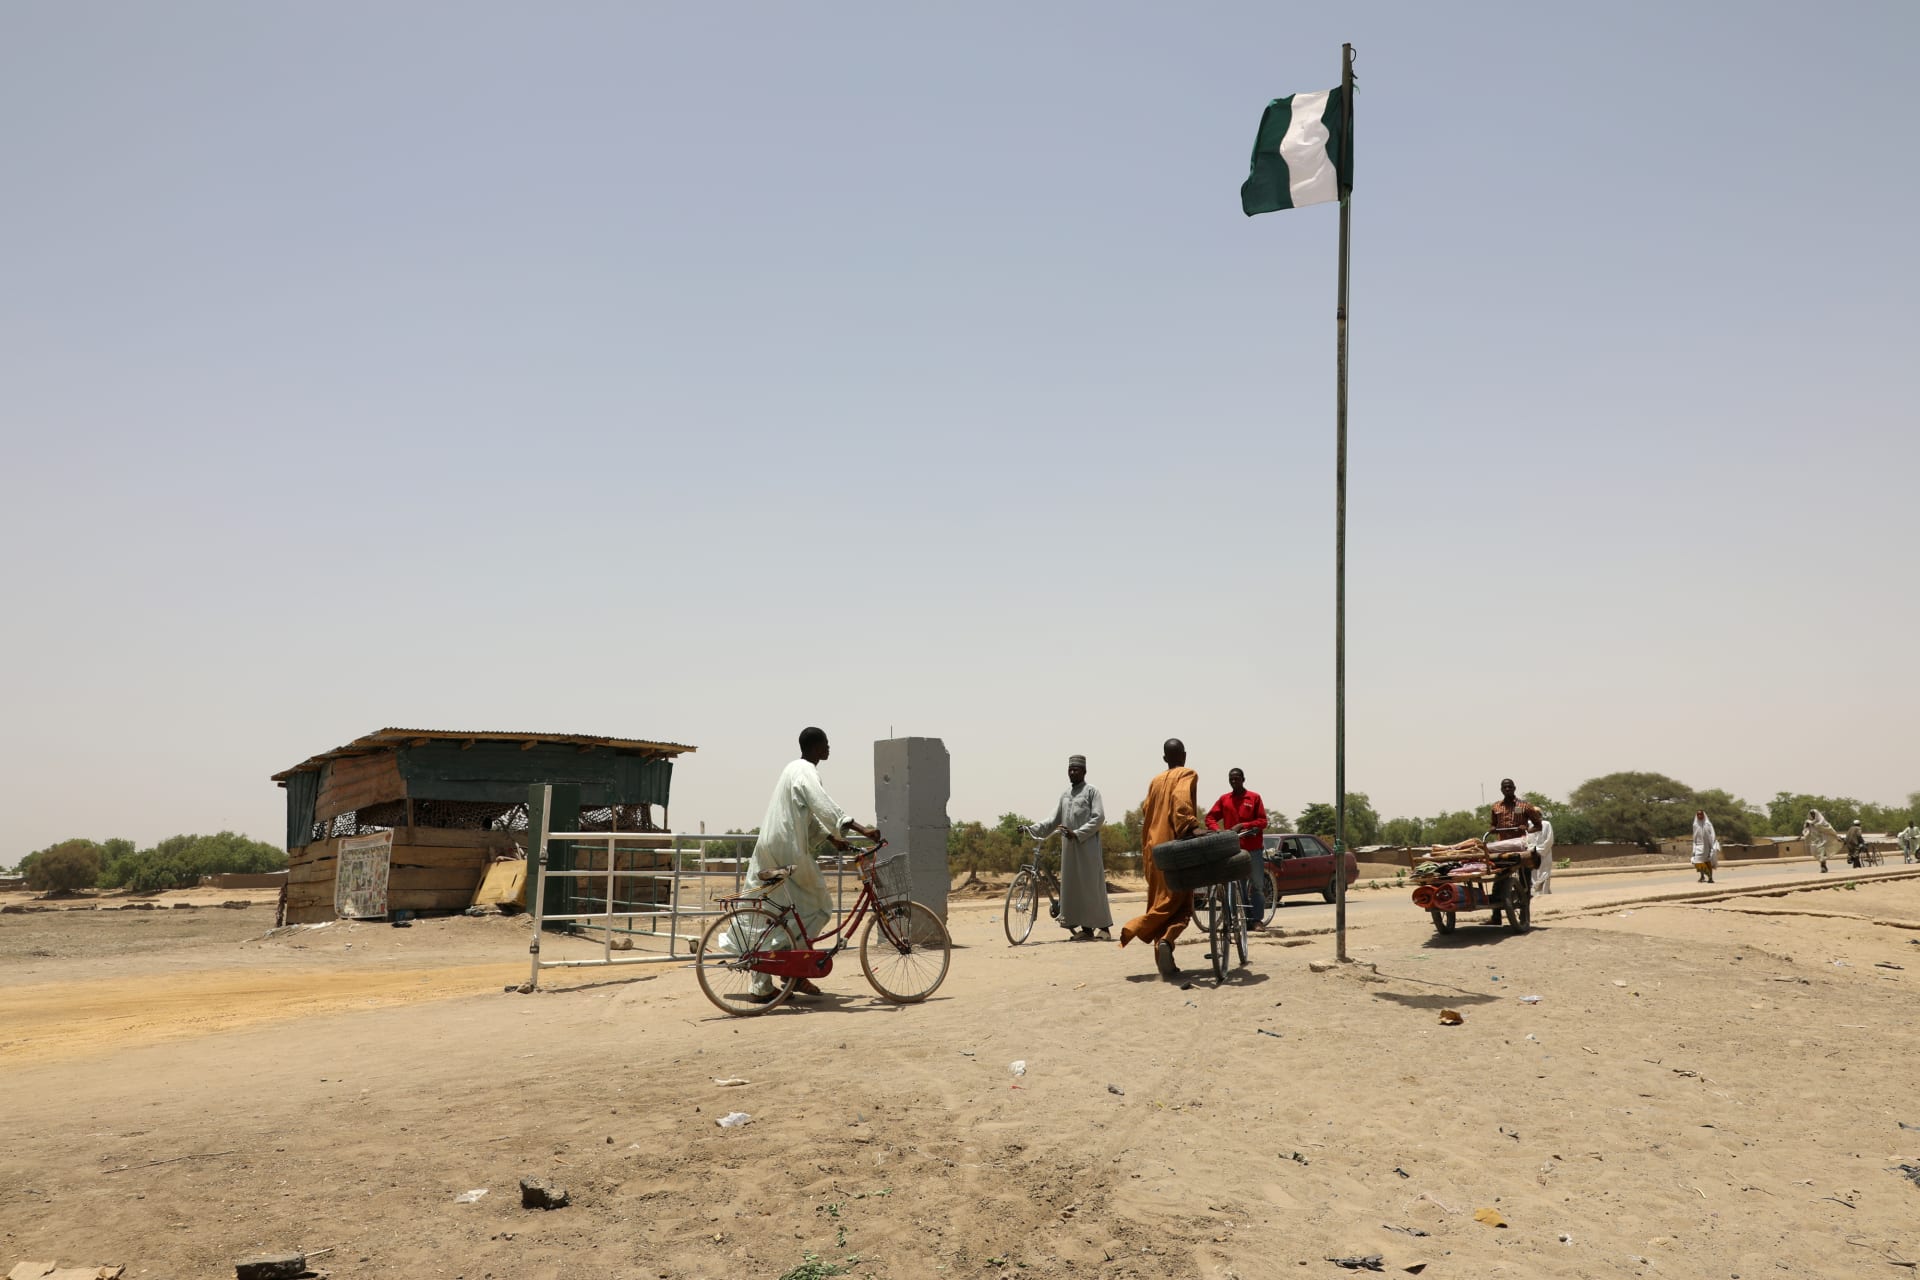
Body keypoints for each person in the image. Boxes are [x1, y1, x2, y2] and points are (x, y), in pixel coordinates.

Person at [738, 727, 881, 1004]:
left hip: (772, 844)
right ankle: (794, 968)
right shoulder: (806, 771)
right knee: (820, 906)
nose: (829, 748)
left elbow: (807, 815)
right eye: (826, 744)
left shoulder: (792, 769)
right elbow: (823, 805)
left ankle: (764, 984)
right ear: (815, 747)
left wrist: (832, 839)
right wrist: (862, 829)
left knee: (776, 913)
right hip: (789, 848)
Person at [1120, 739, 1200, 979]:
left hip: (1153, 852)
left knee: (1160, 902)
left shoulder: (1155, 781)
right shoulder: (1187, 773)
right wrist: (1190, 826)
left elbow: (1147, 809)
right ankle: (1153, 933)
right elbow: (1181, 800)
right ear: (1184, 755)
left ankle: (1164, 959)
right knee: (1181, 906)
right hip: (1174, 851)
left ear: (1165, 758)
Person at [1024, 755, 1112, 940]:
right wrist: (1030, 828)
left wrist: (1077, 833)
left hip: (1087, 848)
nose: (1072, 772)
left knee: (1091, 888)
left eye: (1076, 769)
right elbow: (1052, 821)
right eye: (1070, 769)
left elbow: (1099, 817)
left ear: (1084, 771)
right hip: (1069, 850)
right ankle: (1086, 930)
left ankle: (1104, 928)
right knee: (1074, 889)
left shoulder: (1092, 792)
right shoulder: (1065, 795)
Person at [1206, 768, 1269, 928]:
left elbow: (1263, 821)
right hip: (1234, 849)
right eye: (1231, 779)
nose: (1234, 781)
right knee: (1238, 887)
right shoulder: (1225, 799)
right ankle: (1243, 920)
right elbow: (1210, 817)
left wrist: (1244, 825)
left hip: (1253, 848)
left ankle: (1257, 920)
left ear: (1243, 779)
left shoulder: (1254, 797)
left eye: (1237, 778)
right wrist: (1218, 831)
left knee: (1257, 885)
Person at [1802, 808, 1839, 873]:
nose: (1813, 815)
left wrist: (1816, 825)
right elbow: (1806, 830)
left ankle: (1823, 867)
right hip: (1813, 841)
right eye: (1811, 814)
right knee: (1814, 853)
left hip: (1822, 841)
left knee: (1822, 855)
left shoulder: (1822, 822)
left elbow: (1828, 828)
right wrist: (1806, 828)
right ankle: (1824, 866)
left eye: (1814, 814)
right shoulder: (1808, 822)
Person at [1691, 809, 1720, 884]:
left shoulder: (1708, 824)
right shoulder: (1695, 825)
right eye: (1698, 814)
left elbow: (1712, 835)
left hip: (1707, 845)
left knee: (1706, 861)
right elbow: (1694, 836)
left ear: (1703, 815)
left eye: (1701, 814)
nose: (1699, 816)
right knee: (1697, 862)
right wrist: (1694, 846)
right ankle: (1703, 876)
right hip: (1698, 845)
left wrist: (1712, 845)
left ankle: (1710, 878)